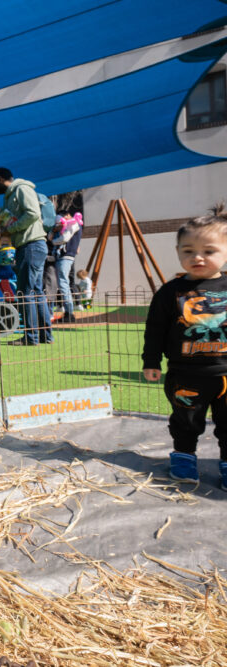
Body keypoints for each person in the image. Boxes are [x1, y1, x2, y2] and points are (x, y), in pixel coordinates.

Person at [142, 204, 227, 491]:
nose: (198, 257)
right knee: (186, 420)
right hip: (186, 374)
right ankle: (184, 456)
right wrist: (151, 361)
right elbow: (155, 330)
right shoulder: (170, 292)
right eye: (188, 250)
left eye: (209, 251)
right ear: (178, 252)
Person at [0, 167, 53, 345]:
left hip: (30, 246)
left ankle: (31, 338)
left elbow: (33, 214)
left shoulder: (21, 189)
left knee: (26, 292)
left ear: (0, 179)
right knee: (36, 291)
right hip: (33, 246)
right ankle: (46, 336)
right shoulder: (9, 198)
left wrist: (11, 229)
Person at [51, 213, 84, 322]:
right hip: (67, 257)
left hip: (66, 256)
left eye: (63, 217)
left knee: (63, 283)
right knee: (64, 283)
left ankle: (69, 313)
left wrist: (53, 241)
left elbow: (64, 238)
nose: (62, 220)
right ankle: (68, 312)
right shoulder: (73, 225)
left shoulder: (73, 224)